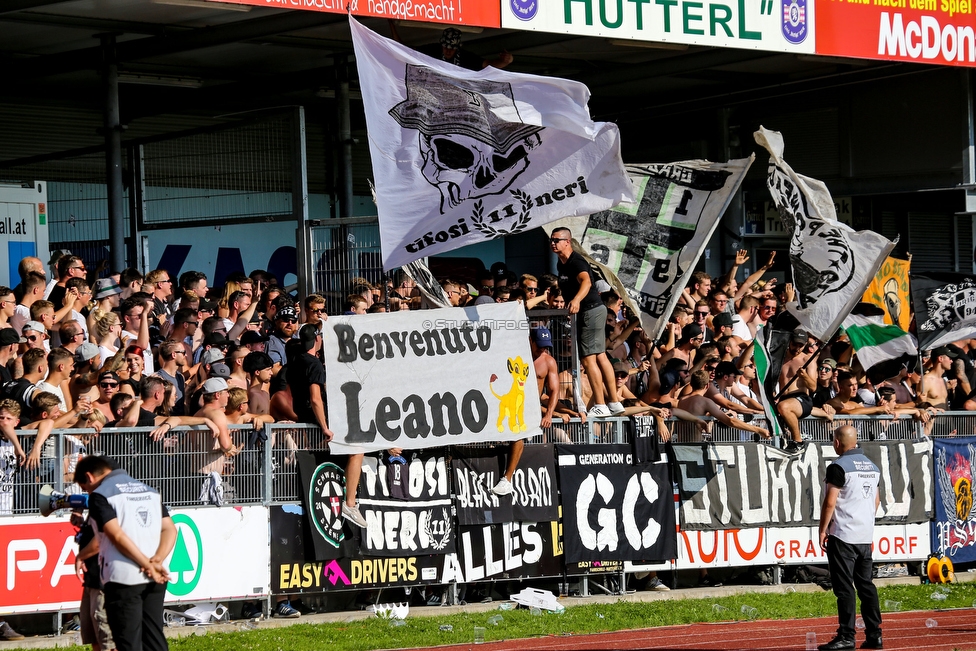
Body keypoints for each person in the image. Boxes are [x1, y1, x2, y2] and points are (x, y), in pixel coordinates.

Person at [74, 455, 175, 651]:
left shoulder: (101, 494)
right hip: (156, 576)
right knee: (155, 640)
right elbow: (170, 529)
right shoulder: (149, 490)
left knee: (128, 642)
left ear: (89, 477)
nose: (87, 492)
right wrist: (157, 560)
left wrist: (146, 564)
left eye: (85, 488)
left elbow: (116, 535)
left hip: (123, 577)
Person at [817, 425, 883, 651]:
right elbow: (876, 501)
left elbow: (830, 501)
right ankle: (875, 635)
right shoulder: (873, 467)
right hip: (865, 535)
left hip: (843, 535)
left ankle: (846, 636)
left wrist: (822, 529)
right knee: (866, 585)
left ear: (837, 442)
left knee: (844, 587)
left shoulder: (837, 466)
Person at [550, 227, 622, 418]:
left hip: (590, 310)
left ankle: (601, 403)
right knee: (600, 356)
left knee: (589, 359)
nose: (553, 243)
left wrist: (576, 301)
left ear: (567, 241)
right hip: (591, 310)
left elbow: (586, 282)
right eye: (552, 239)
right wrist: (570, 303)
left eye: (557, 240)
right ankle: (614, 402)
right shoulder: (561, 263)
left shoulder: (576, 261)